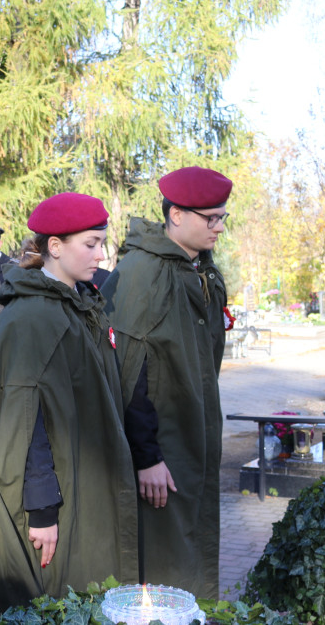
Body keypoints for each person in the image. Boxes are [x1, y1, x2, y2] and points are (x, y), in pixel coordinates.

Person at [0, 193, 138, 624]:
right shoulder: (34, 315)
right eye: (90, 243)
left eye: (101, 243)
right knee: (53, 596)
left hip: (80, 473)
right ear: (54, 247)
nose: (99, 254)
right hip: (50, 492)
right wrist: (40, 510)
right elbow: (24, 418)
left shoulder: (78, 304)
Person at [101, 166, 232, 599]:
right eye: (209, 217)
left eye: (221, 217)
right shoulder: (143, 272)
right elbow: (127, 371)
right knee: (162, 563)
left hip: (194, 436)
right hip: (161, 447)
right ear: (176, 214)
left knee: (190, 548)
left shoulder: (201, 269)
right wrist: (146, 456)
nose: (217, 227)